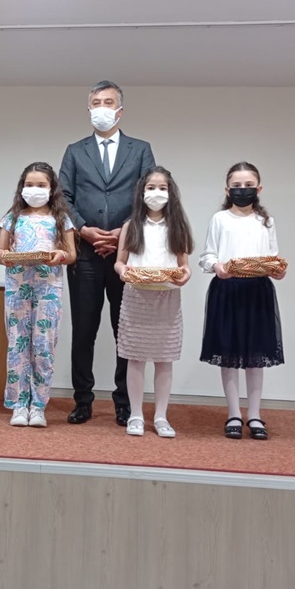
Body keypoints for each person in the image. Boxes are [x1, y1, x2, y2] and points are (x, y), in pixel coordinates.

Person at [59, 80, 156, 426]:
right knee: (84, 331)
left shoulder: (140, 149)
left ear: (120, 110)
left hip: (126, 256)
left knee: (124, 330)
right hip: (84, 253)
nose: (102, 107)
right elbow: (63, 197)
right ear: (89, 109)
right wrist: (83, 229)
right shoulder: (75, 150)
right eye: (96, 102)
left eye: (108, 102)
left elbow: (150, 195)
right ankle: (82, 400)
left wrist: (122, 233)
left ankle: (124, 402)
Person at [199, 161, 286, 440]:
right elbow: (207, 255)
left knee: (255, 356)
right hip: (227, 289)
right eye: (236, 186)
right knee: (229, 354)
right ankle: (234, 413)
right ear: (227, 190)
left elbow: (272, 256)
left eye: (248, 185)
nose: (242, 190)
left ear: (259, 189)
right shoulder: (220, 219)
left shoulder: (266, 221)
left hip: (258, 291)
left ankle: (255, 415)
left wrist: (277, 270)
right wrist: (217, 267)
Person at [0, 162, 76, 428]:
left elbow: (71, 254)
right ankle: (19, 404)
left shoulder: (61, 218)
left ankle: (38, 406)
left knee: (44, 346)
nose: (35, 189)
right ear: (22, 187)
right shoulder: (12, 217)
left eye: (41, 185)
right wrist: (5, 257)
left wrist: (59, 255)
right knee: (17, 345)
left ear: (51, 189)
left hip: (48, 287)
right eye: (29, 185)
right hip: (18, 286)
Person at [113, 168, 193, 437]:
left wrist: (185, 274)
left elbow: (184, 265)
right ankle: (135, 414)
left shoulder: (178, 226)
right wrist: (123, 272)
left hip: (167, 296)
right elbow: (120, 262)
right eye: (150, 188)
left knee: (164, 358)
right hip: (136, 296)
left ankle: (161, 416)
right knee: (134, 358)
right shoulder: (131, 226)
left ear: (171, 193)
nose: (156, 193)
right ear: (141, 192)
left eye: (162, 188)